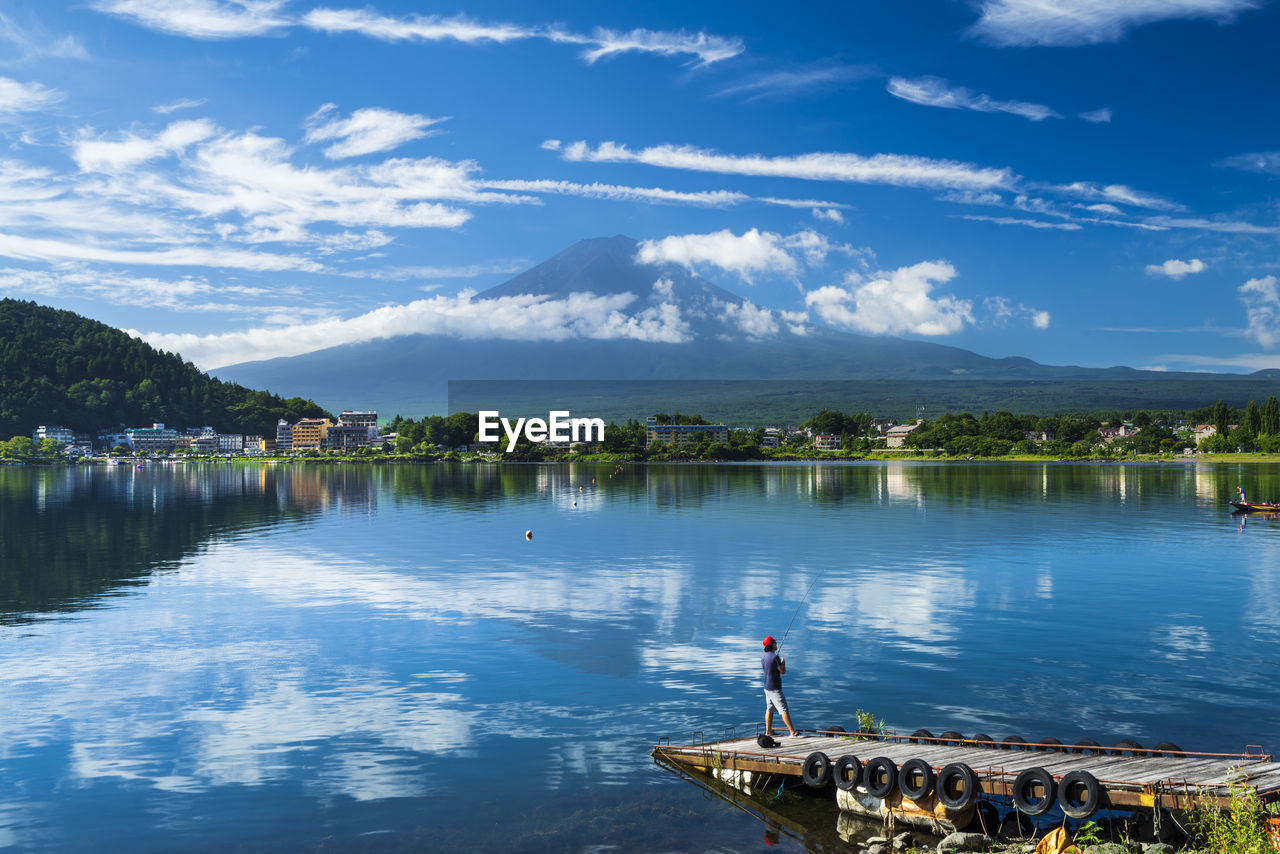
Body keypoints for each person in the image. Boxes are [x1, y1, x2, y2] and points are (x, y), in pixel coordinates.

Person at [761, 635, 799, 738]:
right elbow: (783, 672)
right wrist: (783, 664)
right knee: (783, 709)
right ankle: (792, 732)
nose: (776, 644)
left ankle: (768, 732)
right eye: (774, 643)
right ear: (771, 645)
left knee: (769, 709)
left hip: (767, 688)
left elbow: (765, 671)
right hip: (775, 689)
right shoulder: (775, 657)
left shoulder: (764, 657)